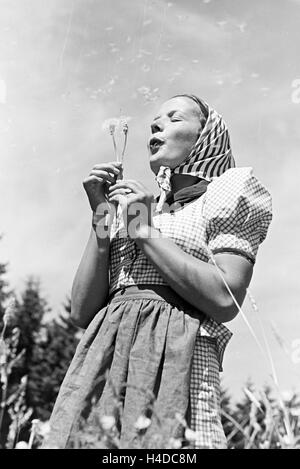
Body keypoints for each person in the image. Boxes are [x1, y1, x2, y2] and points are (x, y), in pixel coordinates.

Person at [44, 94, 272, 449]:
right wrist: (104, 217)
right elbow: (82, 311)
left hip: (176, 358)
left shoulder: (226, 192)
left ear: (207, 136)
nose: (156, 124)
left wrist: (144, 230)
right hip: (106, 359)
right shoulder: (141, 210)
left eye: (174, 118)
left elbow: (225, 298)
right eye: (154, 121)